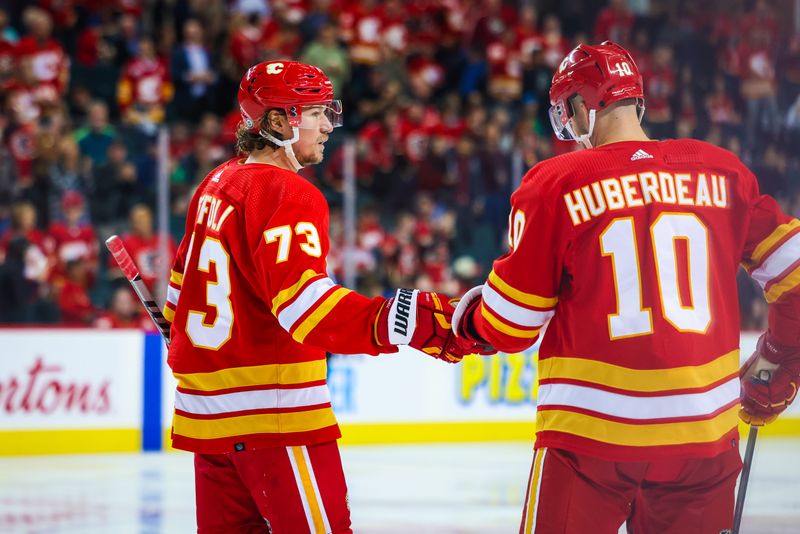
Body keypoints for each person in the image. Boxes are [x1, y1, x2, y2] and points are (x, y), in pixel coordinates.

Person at [451, 41, 800, 534]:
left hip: (589, 445)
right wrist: (780, 357)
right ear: (636, 101)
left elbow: (510, 325)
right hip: (701, 443)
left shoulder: (556, 182)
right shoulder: (723, 172)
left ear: (580, 107)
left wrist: (465, 317)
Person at [162, 60, 489, 533]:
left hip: (208, 424)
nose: (328, 125)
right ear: (277, 122)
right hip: (275, 419)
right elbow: (305, 309)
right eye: (313, 113)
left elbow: (178, 302)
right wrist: (410, 320)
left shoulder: (214, 184)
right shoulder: (287, 193)